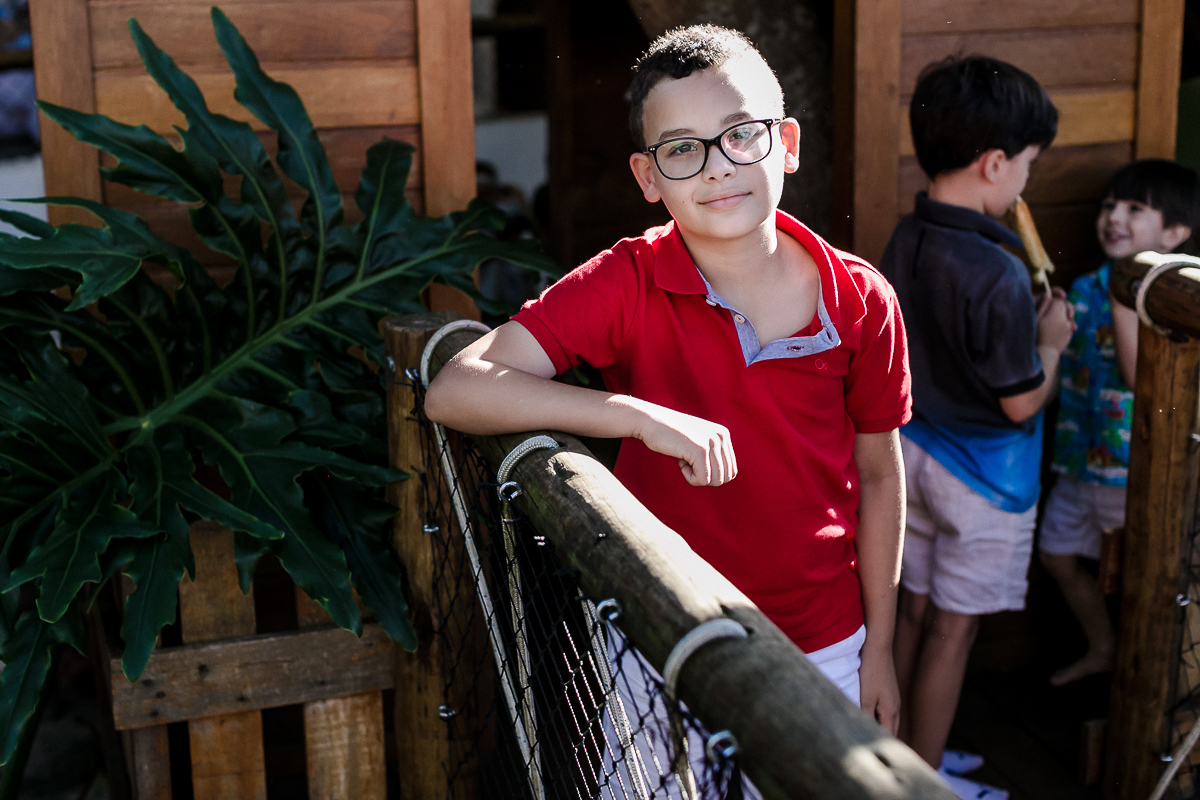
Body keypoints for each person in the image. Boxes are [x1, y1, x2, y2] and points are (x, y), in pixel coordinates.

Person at [427, 23, 911, 739]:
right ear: (648, 177)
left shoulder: (863, 299)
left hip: (824, 645)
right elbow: (456, 389)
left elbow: (879, 475)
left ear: (787, 144)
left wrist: (880, 649)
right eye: (683, 148)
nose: (717, 167)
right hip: (657, 637)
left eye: (741, 134)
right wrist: (636, 415)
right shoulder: (627, 279)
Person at [879, 56, 1074, 799]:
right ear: (995, 163)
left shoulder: (907, 236)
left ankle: (891, 753)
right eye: (1027, 165)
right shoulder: (997, 271)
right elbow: (1021, 403)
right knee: (953, 630)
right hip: (982, 480)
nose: (1025, 181)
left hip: (914, 457)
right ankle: (921, 779)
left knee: (913, 612)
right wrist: (1050, 343)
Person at [1039, 159, 1199, 687]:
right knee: (1056, 555)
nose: (1114, 217)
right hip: (1076, 457)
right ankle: (1104, 647)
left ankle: (1140, 677)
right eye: (1110, 205)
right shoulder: (1086, 286)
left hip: (1131, 468)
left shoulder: (1171, 297)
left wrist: (1124, 302)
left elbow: (1138, 379)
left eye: (1135, 209)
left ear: (1175, 234)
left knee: (1139, 575)